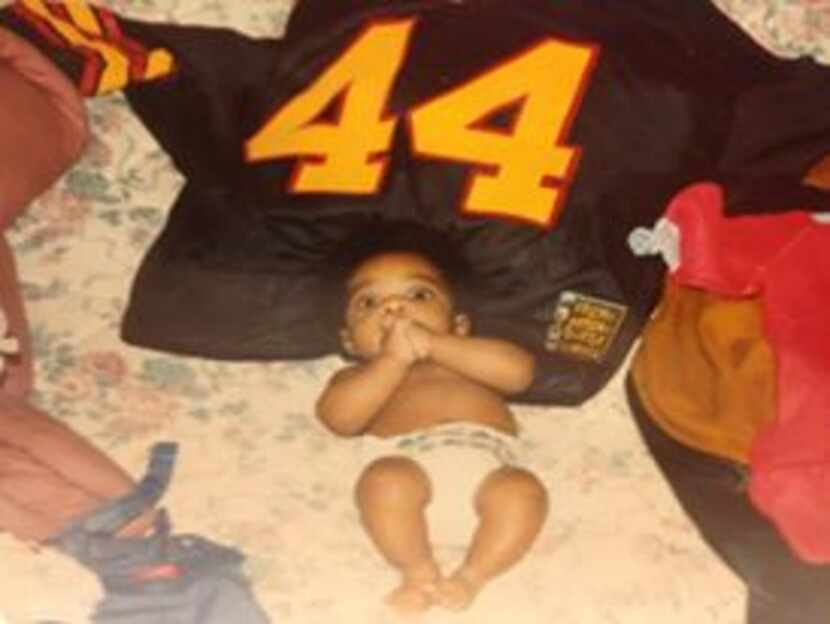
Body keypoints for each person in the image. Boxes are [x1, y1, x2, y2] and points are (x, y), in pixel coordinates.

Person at [316, 222, 548, 615]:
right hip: (409, 470)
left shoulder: (468, 358)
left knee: (524, 492)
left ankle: (471, 577)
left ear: (459, 324)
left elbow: (520, 373)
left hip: (489, 477)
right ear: (349, 342)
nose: (394, 308)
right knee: (383, 482)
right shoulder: (362, 376)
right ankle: (418, 571)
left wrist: (438, 345)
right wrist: (391, 360)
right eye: (368, 303)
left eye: (418, 294)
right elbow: (339, 419)